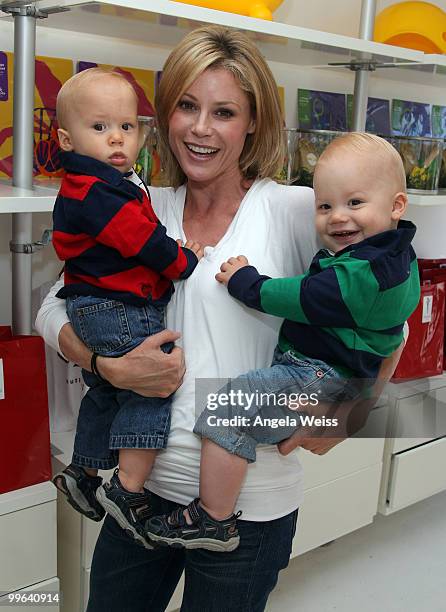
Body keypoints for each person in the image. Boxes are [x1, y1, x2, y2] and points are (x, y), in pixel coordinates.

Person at [36, 26, 403, 612]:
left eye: (224, 112)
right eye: (186, 105)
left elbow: (389, 311)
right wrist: (109, 365)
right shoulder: (138, 204)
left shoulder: (293, 209)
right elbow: (54, 305)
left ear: (253, 121)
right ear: (163, 116)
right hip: (140, 493)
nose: (201, 129)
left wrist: (351, 414)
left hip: (247, 512)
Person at [144, 133, 420, 551]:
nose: (337, 217)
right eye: (325, 206)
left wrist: (246, 282)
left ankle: (213, 518)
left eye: (354, 203)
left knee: (229, 407)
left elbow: (304, 297)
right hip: (152, 482)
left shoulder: (364, 265)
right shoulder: (388, 254)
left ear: (396, 206)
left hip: (315, 382)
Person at [51, 67, 203, 548]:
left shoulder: (111, 184)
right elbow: (146, 243)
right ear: (66, 138)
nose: (116, 138)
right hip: (118, 308)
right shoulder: (104, 189)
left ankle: (83, 470)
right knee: (152, 387)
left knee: (104, 392)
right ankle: (127, 490)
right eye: (99, 128)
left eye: (127, 126)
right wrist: (184, 260)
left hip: (99, 305)